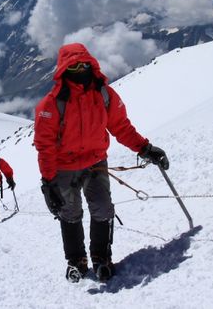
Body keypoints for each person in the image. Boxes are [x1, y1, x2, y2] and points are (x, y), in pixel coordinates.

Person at [33, 43, 169, 282]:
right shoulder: (52, 104)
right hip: (64, 168)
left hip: (95, 162)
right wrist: (49, 181)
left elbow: (121, 127)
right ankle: (76, 261)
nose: (80, 69)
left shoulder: (104, 94)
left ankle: (101, 259)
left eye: (84, 64)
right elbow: (45, 146)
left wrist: (145, 148)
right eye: (74, 65)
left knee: (103, 208)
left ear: (92, 63)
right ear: (64, 68)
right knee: (70, 213)